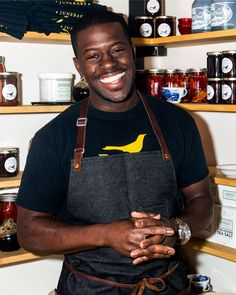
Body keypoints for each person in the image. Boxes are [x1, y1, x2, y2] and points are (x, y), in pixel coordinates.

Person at [16, 10, 213, 295]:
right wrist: (107, 234)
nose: (108, 63)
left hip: (167, 285)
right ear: (79, 65)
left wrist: (176, 229)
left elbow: (202, 200)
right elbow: (29, 233)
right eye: (93, 55)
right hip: (88, 287)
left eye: (117, 49)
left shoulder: (178, 122)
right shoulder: (53, 137)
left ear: (131, 52)